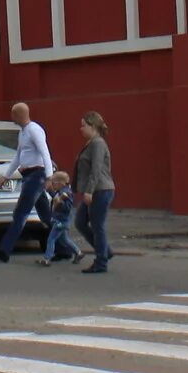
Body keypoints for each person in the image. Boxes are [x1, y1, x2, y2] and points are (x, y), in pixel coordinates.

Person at [0, 102, 52, 264]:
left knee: (20, 213)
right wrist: (6, 176)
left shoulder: (34, 130)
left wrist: (49, 176)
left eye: (12, 114)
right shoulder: (23, 132)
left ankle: (4, 250)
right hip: (28, 176)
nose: (11, 117)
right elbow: (18, 157)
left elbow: (45, 152)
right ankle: (64, 248)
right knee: (46, 216)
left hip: (36, 176)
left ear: (18, 115)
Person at [72, 112, 115, 275]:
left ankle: (101, 262)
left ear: (93, 126)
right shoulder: (91, 143)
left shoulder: (97, 143)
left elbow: (96, 169)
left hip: (100, 190)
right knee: (80, 221)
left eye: (84, 125)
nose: (81, 128)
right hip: (95, 190)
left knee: (97, 226)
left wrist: (89, 191)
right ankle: (105, 251)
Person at [37, 170, 79, 266]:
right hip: (60, 220)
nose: (53, 184)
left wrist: (60, 203)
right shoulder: (61, 192)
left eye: (54, 183)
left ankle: (47, 259)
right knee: (64, 239)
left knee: (51, 239)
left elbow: (67, 207)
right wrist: (51, 192)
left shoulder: (66, 193)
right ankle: (79, 253)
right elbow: (56, 198)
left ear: (62, 183)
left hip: (61, 221)